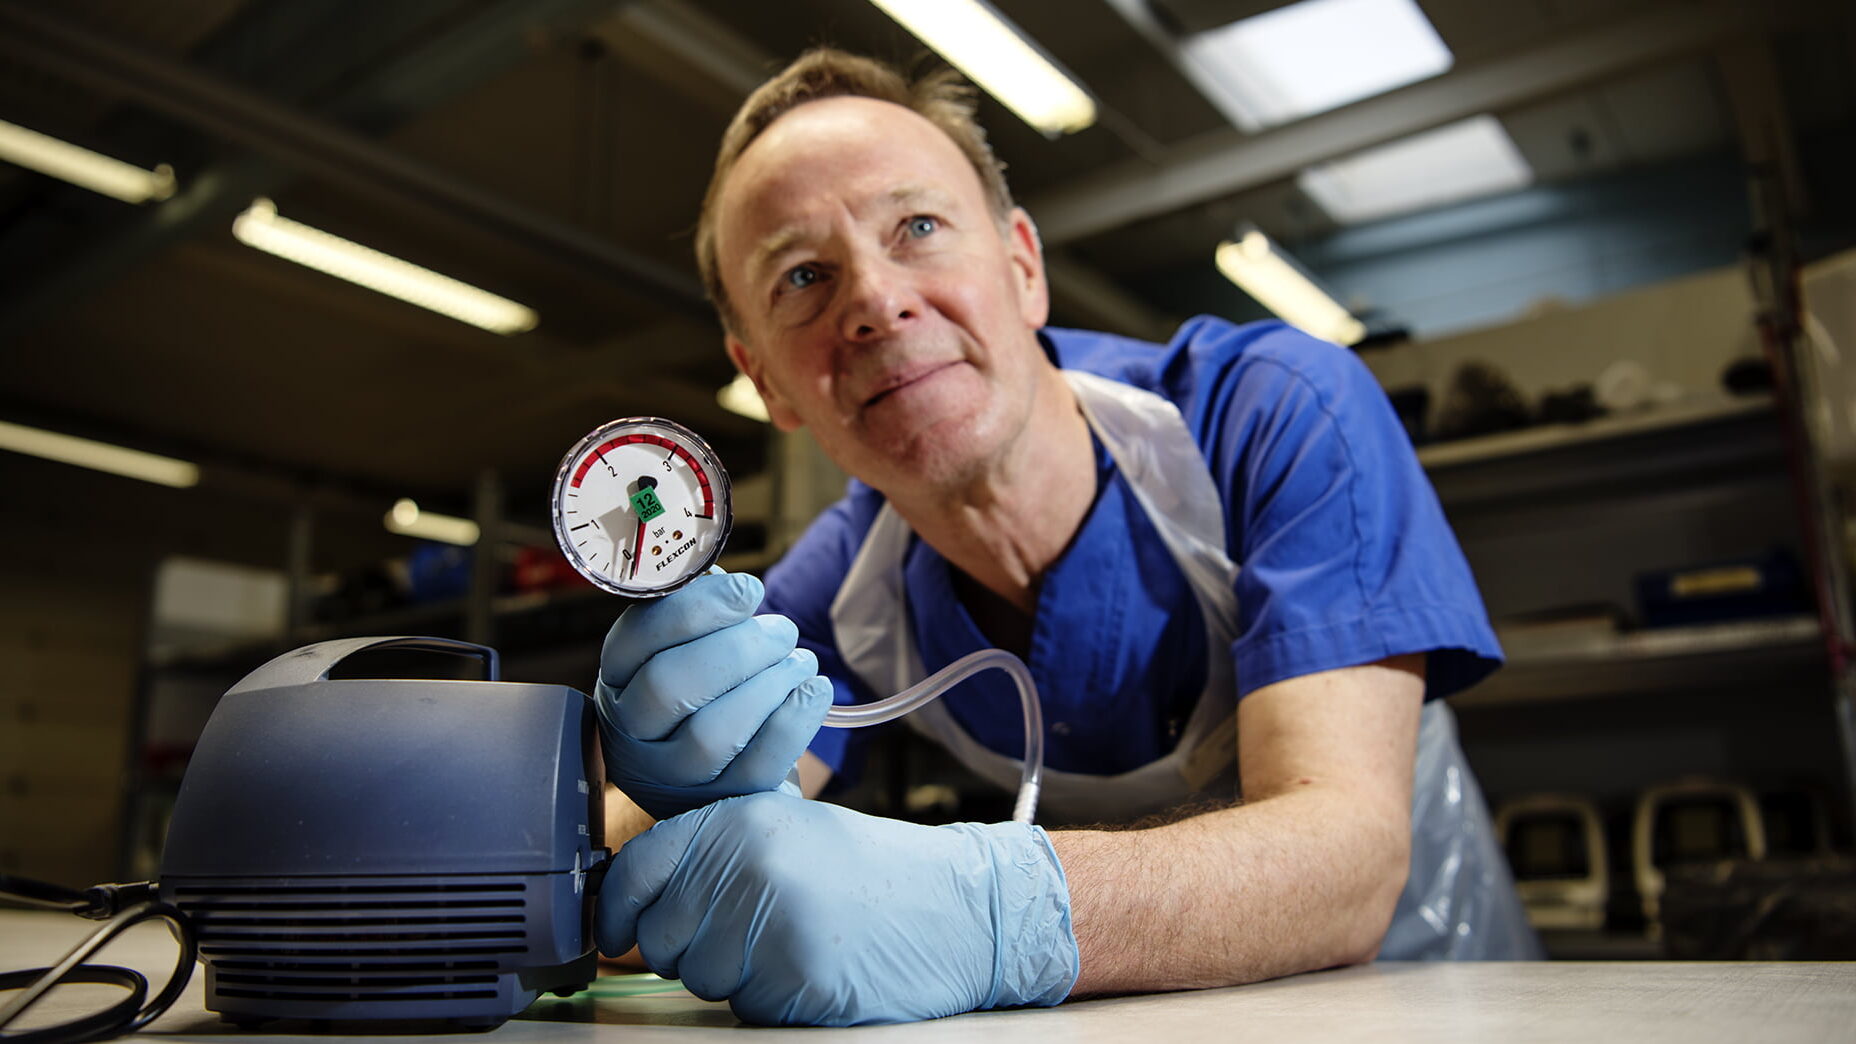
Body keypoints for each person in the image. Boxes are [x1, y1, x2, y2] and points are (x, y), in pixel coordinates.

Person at [590, 48, 1540, 1027]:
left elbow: (1348, 864)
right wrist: (658, 793)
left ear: (1023, 266)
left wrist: (979, 911)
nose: (873, 301)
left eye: (918, 227)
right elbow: (620, 890)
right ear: (765, 382)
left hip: (1428, 994)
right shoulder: (842, 591)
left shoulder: (1274, 416)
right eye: (801, 276)